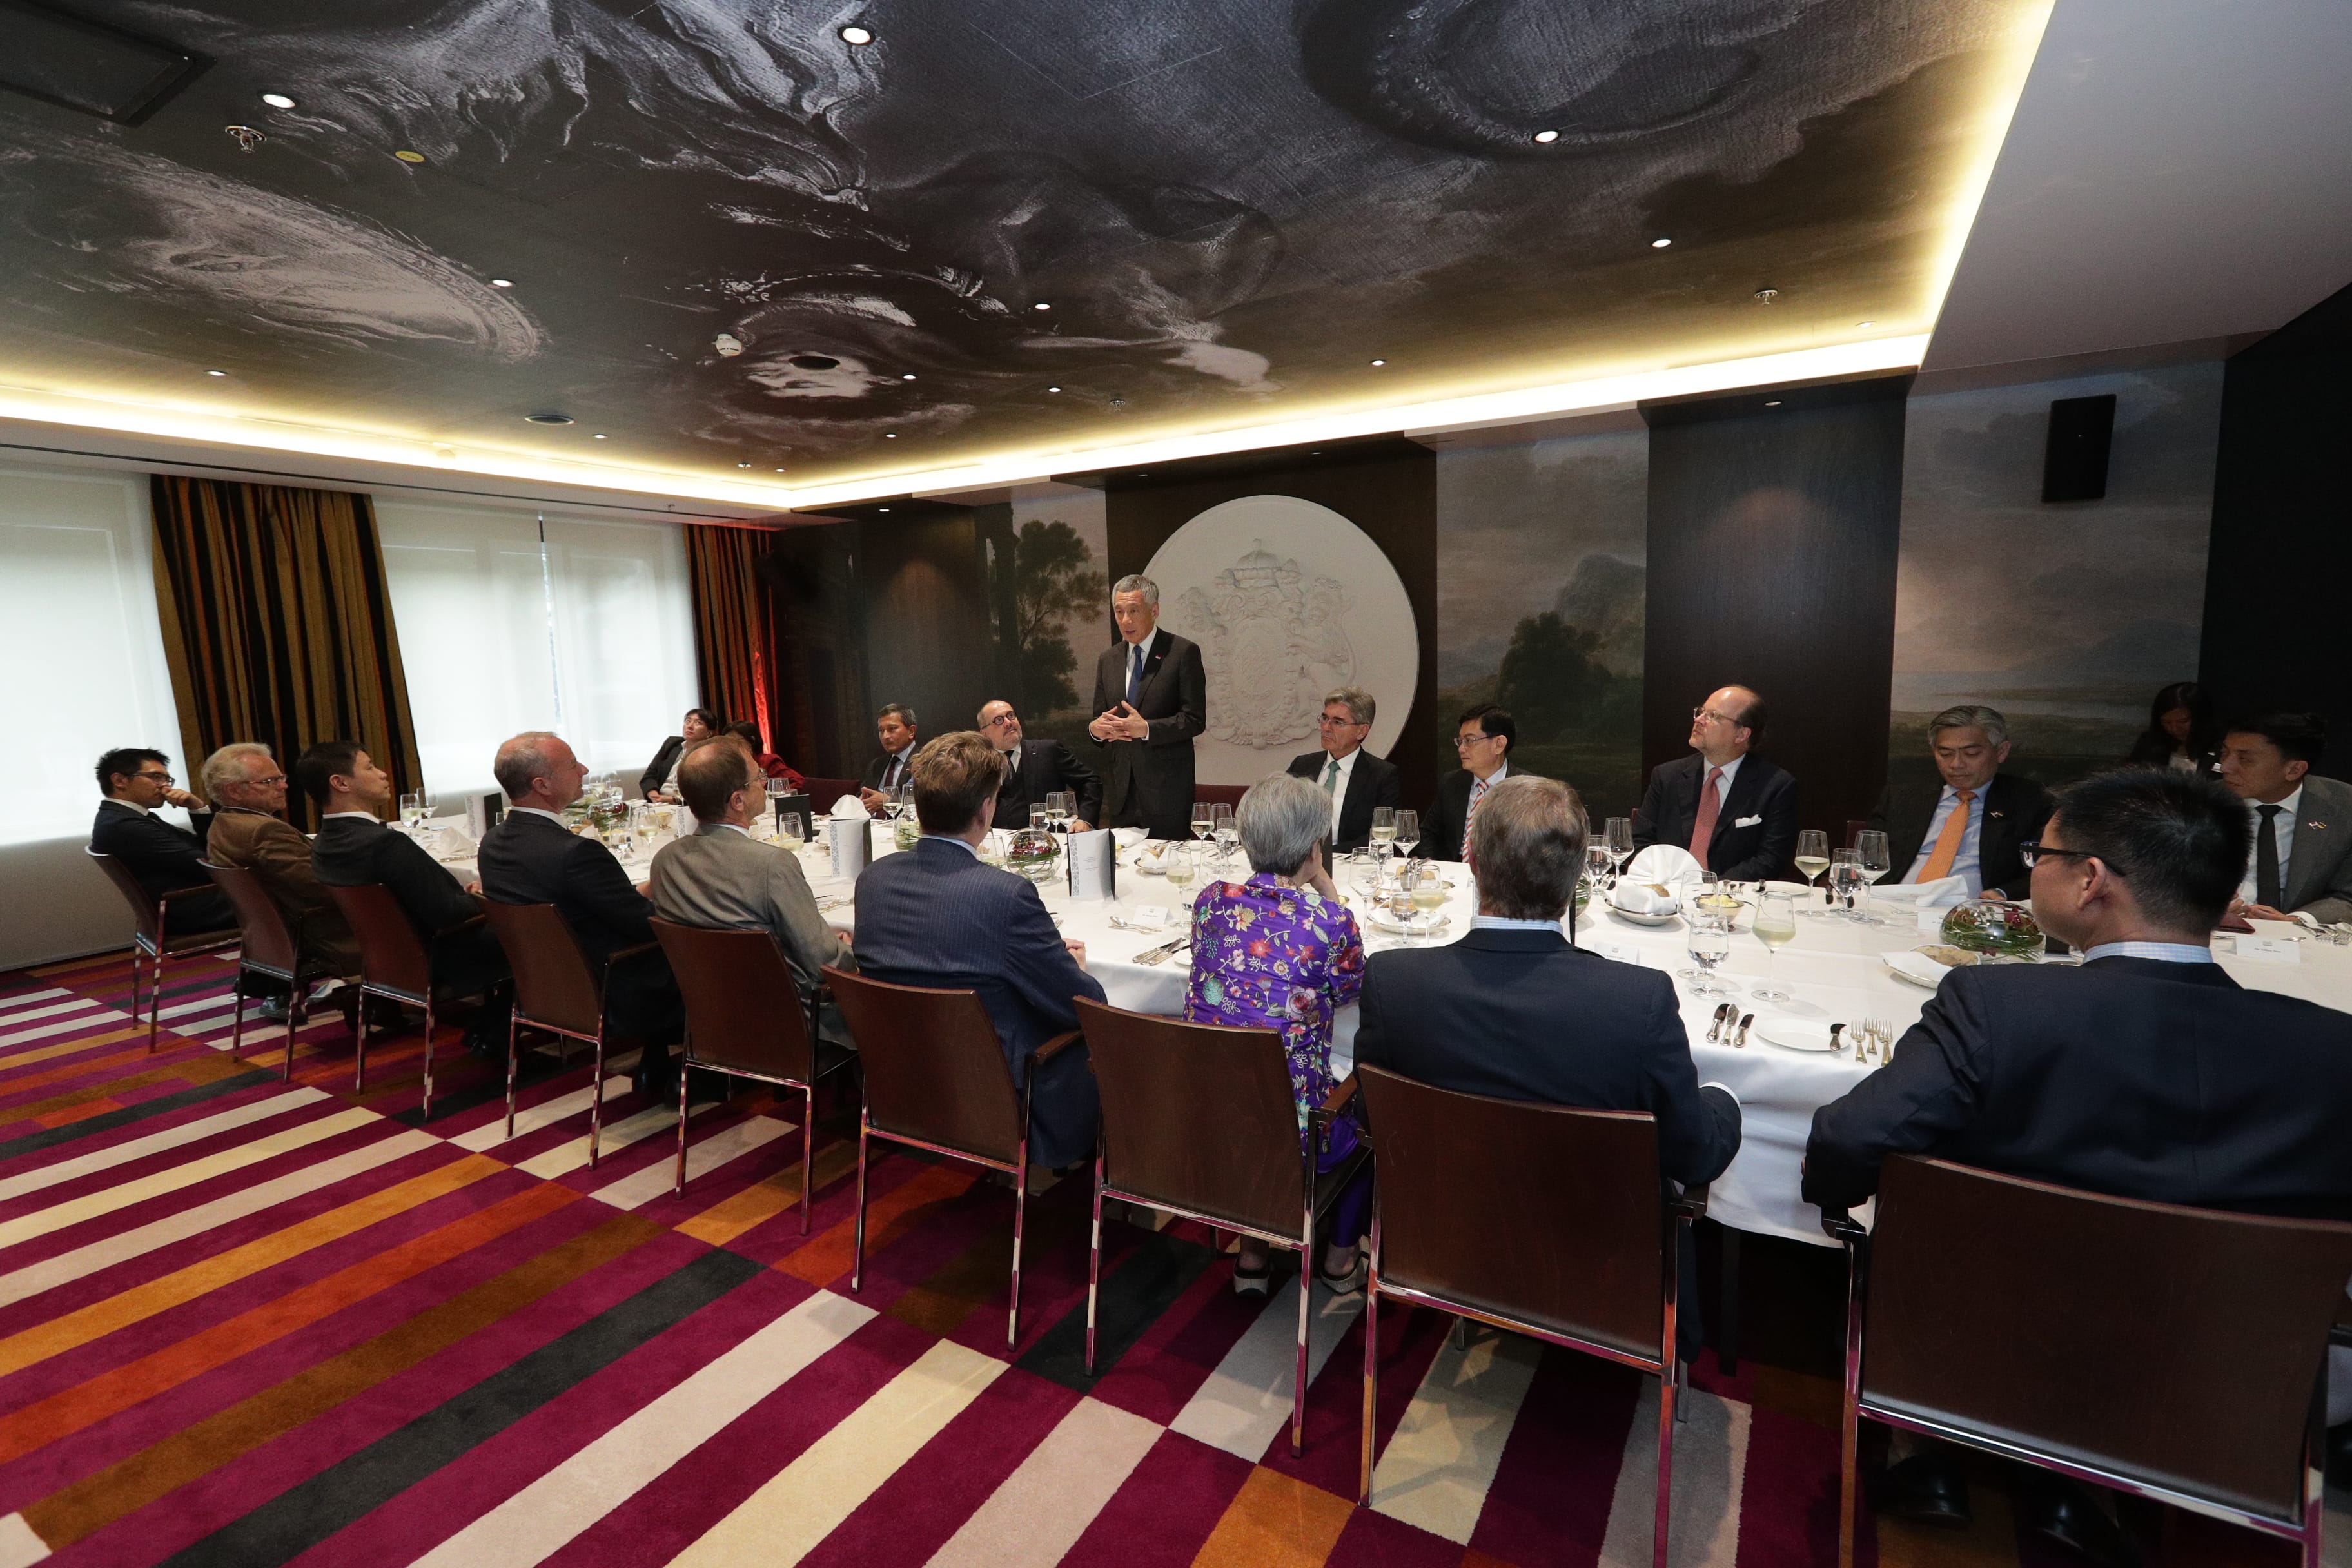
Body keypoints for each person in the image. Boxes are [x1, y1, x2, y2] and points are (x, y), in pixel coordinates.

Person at [1804, 767, 2352, 1562]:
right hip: (2219, 1369)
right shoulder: (2328, 1051)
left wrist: (1835, 1208)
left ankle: (1932, 1451)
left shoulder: (1998, 1006)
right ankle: (2086, 1486)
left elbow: (1851, 1139)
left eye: (2041, 852)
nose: (2032, 867)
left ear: (2090, 879)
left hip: (1982, 1337)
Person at [1354, 774, 1741, 1353]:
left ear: (1475, 865)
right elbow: (1695, 1153)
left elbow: (1373, 1117)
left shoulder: (1393, 981)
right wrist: (1727, 1102)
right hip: (1598, 1264)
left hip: (1449, 1244)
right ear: (1576, 880)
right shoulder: (1637, 1002)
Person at [850, 730, 1104, 1170]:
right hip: (999, 1091)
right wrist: (1076, 969)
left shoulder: (873, 879)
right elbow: (1082, 1005)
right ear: (987, 809)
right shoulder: (1004, 896)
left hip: (900, 1078)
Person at [1186, 772, 1369, 1293]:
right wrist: (1330, 893)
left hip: (1210, 1111)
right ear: (1314, 848)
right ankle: (1338, 1264)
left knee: (1250, 1069)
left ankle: (1252, 1257)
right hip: (1298, 1134)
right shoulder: (1329, 924)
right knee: (1368, 1106)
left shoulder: (1210, 899)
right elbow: (1354, 986)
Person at [478, 731, 687, 1104]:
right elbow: (645, 924)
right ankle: (702, 1072)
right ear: (542, 785)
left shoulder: (493, 842)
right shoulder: (574, 853)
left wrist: (639, 890)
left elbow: (585, 907)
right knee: (709, 953)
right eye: (573, 764)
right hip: (613, 987)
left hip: (544, 987)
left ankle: (655, 1058)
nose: (585, 770)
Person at [302, 740, 509, 1055]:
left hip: (391, 958)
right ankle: (500, 1027)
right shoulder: (384, 843)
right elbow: (449, 914)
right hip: (443, 955)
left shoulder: (324, 842)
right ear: (341, 783)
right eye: (370, 767)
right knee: (540, 931)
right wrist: (478, 895)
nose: (383, 774)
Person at [649, 736, 853, 1043]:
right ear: (738, 801)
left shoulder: (665, 861)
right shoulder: (772, 864)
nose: (764, 782)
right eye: (758, 777)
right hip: (792, 1022)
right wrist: (852, 954)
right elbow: (823, 961)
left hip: (713, 1016)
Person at [202, 742, 360, 977]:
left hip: (272, 938)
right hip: (327, 935)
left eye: (281, 777)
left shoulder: (222, 825)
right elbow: (323, 886)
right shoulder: (265, 831)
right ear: (234, 791)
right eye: (269, 782)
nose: (284, 786)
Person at [1865, 705, 2052, 900]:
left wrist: (2003, 893)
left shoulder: (2032, 802)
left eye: (1971, 754)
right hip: (1893, 906)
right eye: (1945, 754)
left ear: (2001, 752)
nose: (1956, 764)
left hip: (1973, 914)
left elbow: (2048, 870)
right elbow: (1868, 859)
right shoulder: (1903, 796)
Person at [1632, 685, 1797, 880]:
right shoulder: (1667, 776)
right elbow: (1641, 840)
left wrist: (1713, 891)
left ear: (1741, 735)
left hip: (1733, 902)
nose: (1699, 720)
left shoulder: (1776, 786)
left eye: (1713, 716)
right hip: (1667, 895)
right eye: (1701, 712)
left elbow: (1770, 859)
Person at [1087, 574, 1208, 839]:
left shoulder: (1182, 653)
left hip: (1166, 795)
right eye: (1119, 612)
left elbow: (1195, 719)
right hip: (1121, 795)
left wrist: (1147, 729)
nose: (1125, 620)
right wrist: (1096, 730)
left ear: (1155, 610)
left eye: (1134, 611)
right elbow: (1099, 718)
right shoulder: (1108, 660)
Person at [2217, 712, 2352, 926]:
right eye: (2225, 753)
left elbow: (2347, 896)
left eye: (2245, 759)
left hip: (2301, 942)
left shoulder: (2343, 807)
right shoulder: (2194, 802)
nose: (2226, 767)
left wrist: (2296, 920)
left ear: (2294, 769)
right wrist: (2203, 908)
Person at [89, 746, 236, 934]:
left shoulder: (122, 817)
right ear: (120, 781)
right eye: (156, 777)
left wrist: (197, 807)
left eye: (167, 779)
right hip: (194, 911)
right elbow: (207, 864)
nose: (166, 787)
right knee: (277, 893)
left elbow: (201, 847)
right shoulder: (125, 825)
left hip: (189, 904)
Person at [1284, 687, 1401, 854]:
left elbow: (1381, 835)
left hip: (1348, 864)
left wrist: (1326, 854)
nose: (1326, 727)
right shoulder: (1302, 765)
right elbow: (1279, 814)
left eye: (1338, 722)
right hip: (1295, 861)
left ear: (1362, 731)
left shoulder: (1382, 776)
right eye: (1324, 719)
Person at [979, 699, 1100, 830]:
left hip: (1049, 843)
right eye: (999, 720)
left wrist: (1084, 820)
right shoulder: (979, 765)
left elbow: (1091, 782)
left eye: (1011, 716)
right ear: (985, 733)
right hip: (997, 845)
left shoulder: (1048, 751)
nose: (1009, 723)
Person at [1420, 703, 1518, 864]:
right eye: (1460, 741)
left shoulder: (1527, 790)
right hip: (1453, 875)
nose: (1461, 749)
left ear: (1499, 745)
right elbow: (1427, 833)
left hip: (1502, 879)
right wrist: (1436, 868)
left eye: (1470, 740)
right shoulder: (1452, 783)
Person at [2125, 680, 2219, 774]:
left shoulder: (2220, 747)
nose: (2174, 729)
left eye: (2183, 721)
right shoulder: (2149, 744)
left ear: (2201, 717)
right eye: (2166, 722)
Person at [641, 707, 720, 801]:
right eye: (688, 721)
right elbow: (649, 776)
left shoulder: (711, 755)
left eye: (698, 723)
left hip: (689, 806)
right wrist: (653, 793)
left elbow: (706, 793)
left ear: (709, 733)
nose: (690, 726)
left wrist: (673, 800)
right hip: (660, 802)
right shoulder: (672, 744)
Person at [858, 703, 921, 811]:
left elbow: (930, 804)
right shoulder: (876, 765)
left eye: (892, 729)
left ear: (911, 731)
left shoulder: (926, 761)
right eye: (881, 731)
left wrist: (889, 802)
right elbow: (861, 797)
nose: (885, 736)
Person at [723, 720, 805, 791]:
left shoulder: (767, 761)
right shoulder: (731, 767)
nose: (730, 747)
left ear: (751, 742)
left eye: (734, 742)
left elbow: (799, 782)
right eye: (726, 743)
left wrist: (773, 796)